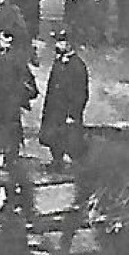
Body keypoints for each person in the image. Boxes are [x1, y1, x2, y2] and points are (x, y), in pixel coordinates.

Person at [0, 27, 37, 160]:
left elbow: (28, 80)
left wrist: (22, 95)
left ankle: (10, 156)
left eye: (8, 42)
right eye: (3, 41)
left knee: (10, 130)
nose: (5, 44)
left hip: (10, 102)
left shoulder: (17, 59)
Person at [39, 31, 90, 172]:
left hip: (66, 112)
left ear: (69, 44)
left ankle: (77, 168)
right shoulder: (58, 63)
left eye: (61, 42)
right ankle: (57, 162)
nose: (57, 45)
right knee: (54, 139)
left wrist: (73, 114)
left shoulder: (78, 66)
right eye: (57, 42)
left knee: (70, 140)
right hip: (55, 110)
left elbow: (81, 93)